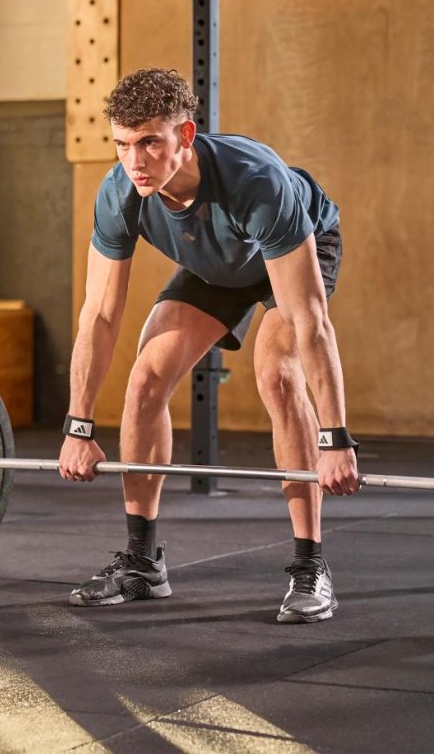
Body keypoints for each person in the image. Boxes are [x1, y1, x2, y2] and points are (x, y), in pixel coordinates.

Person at [58, 68, 359, 623]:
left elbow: (310, 319)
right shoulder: (121, 192)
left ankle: (310, 564)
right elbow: (99, 315)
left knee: (277, 374)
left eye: (150, 141)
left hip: (293, 255)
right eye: (123, 144)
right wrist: (78, 426)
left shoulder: (255, 181)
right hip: (217, 265)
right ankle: (143, 563)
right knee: (146, 377)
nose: (135, 160)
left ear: (186, 136)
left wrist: (335, 439)